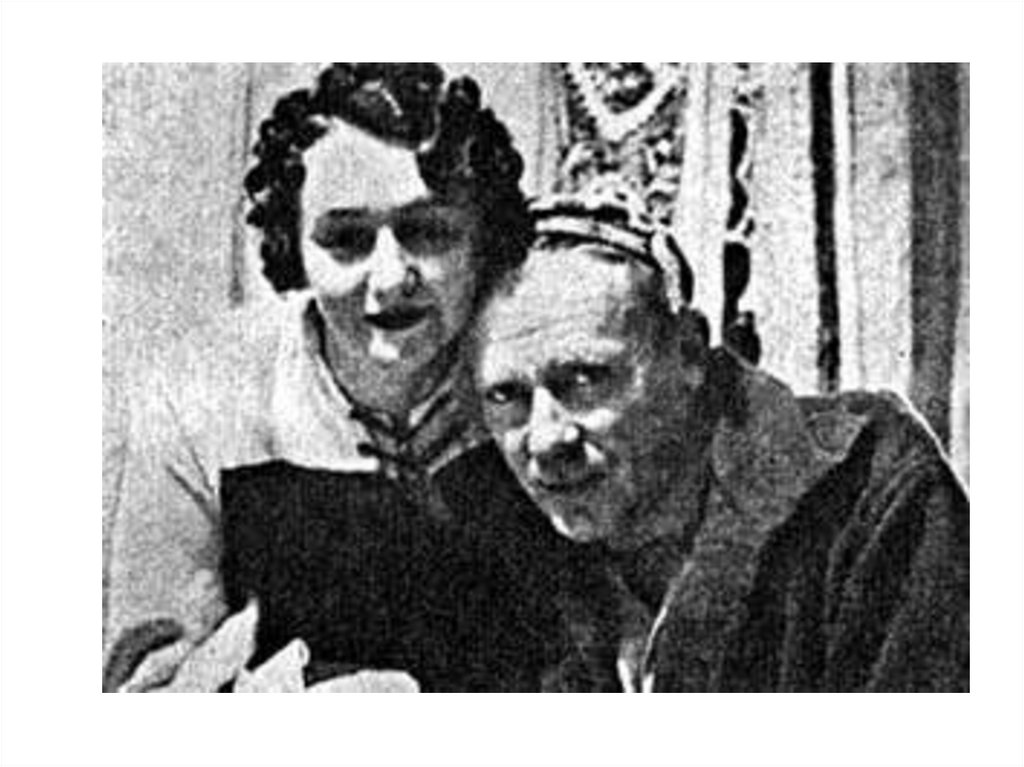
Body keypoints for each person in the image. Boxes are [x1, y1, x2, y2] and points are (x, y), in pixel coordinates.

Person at [104, 63, 577, 692]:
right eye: (347, 240)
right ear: (292, 246)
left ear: (484, 240)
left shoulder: (551, 369)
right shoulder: (203, 394)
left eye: (428, 232)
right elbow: (145, 690)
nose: (391, 278)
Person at [472, 182, 970, 692]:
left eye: (584, 380)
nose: (546, 439)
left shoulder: (867, 492)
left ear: (688, 353)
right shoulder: (493, 552)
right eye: (505, 395)